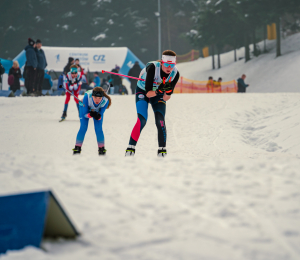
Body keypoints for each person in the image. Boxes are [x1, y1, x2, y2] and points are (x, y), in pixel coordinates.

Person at [125, 50, 180, 157]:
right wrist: (159, 90)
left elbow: (166, 97)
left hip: (158, 94)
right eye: (167, 65)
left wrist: (167, 91)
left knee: (160, 121)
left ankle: (162, 150)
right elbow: (149, 94)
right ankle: (130, 148)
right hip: (143, 91)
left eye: (172, 65)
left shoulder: (175, 73)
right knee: (142, 120)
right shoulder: (153, 68)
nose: (169, 68)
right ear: (162, 63)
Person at [73, 87, 111, 155]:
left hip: (96, 110)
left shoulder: (106, 101)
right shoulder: (87, 97)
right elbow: (85, 114)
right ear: (92, 96)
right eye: (95, 97)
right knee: (83, 127)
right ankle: (77, 149)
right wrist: (90, 114)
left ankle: (101, 149)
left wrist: (98, 116)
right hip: (84, 108)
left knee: (98, 129)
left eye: (100, 98)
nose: (97, 100)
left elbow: (100, 114)